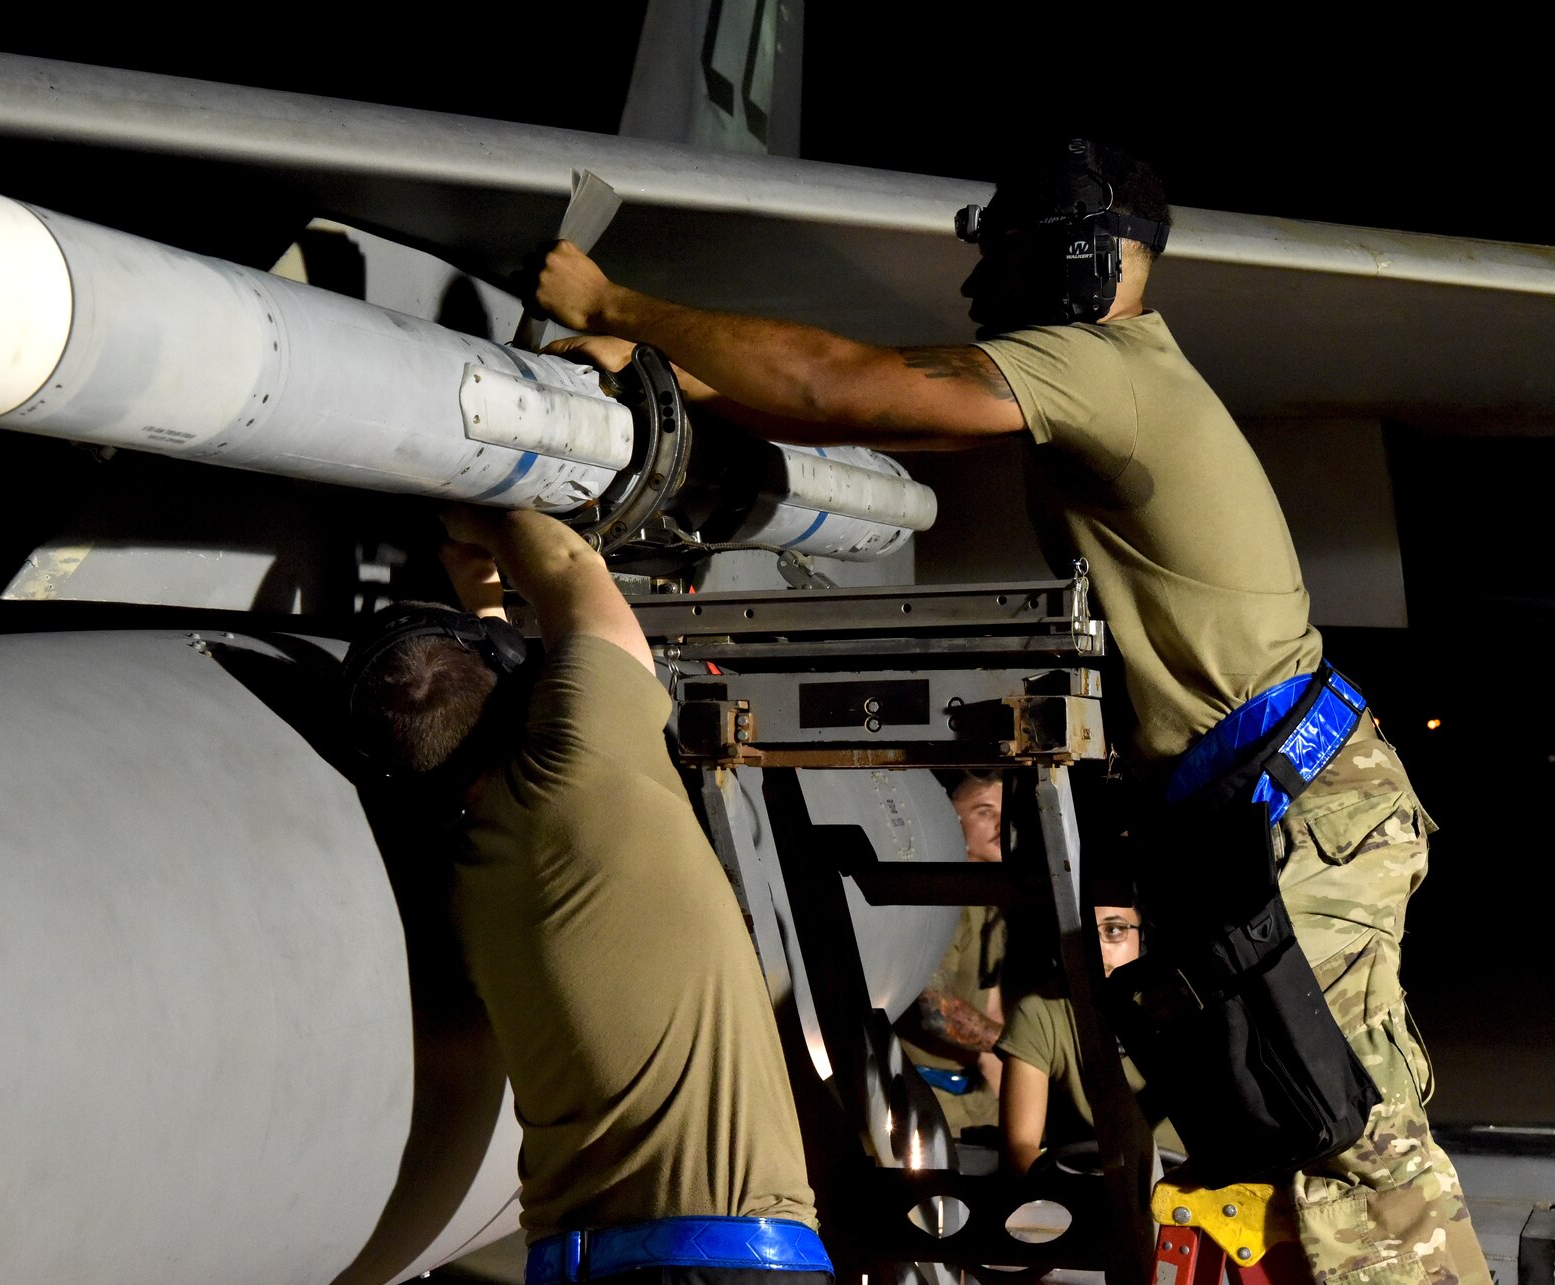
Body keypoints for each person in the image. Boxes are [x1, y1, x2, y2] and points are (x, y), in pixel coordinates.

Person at [533, 139, 1488, 1285]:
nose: (984, 290)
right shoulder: (1105, 374)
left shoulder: (1108, 364)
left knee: (1335, 1137)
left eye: (1010, 259)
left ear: (1078, 262)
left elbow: (849, 386)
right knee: (1270, 1127)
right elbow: (886, 417)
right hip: (1263, 806)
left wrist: (615, 303)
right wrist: (668, 372)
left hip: (1291, 805)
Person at [346, 504, 832, 1285]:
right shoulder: (584, 765)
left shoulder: (466, 880)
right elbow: (572, 568)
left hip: (588, 1264)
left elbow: (472, 712)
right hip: (723, 1264)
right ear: (508, 675)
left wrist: (483, 602)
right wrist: (473, 508)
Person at [998, 902, 1183, 1176]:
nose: (1097, 948)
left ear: (1141, 936)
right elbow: (1021, 1146)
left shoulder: (1180, 1006)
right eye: (1083, 933)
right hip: (1083, 1187)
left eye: (1114, 930)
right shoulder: (1040, 1013)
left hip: (1182, 1187)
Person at [896, 770, 1008, 1135]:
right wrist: (1030, 1050)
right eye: (984, 812)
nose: (1000, 824)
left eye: (1004, 812)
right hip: (922, 1093)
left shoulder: (992, 906)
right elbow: (938, 1012)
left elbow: (990, 1008)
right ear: (950, 817)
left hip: (970, 1089)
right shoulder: (944, 900)